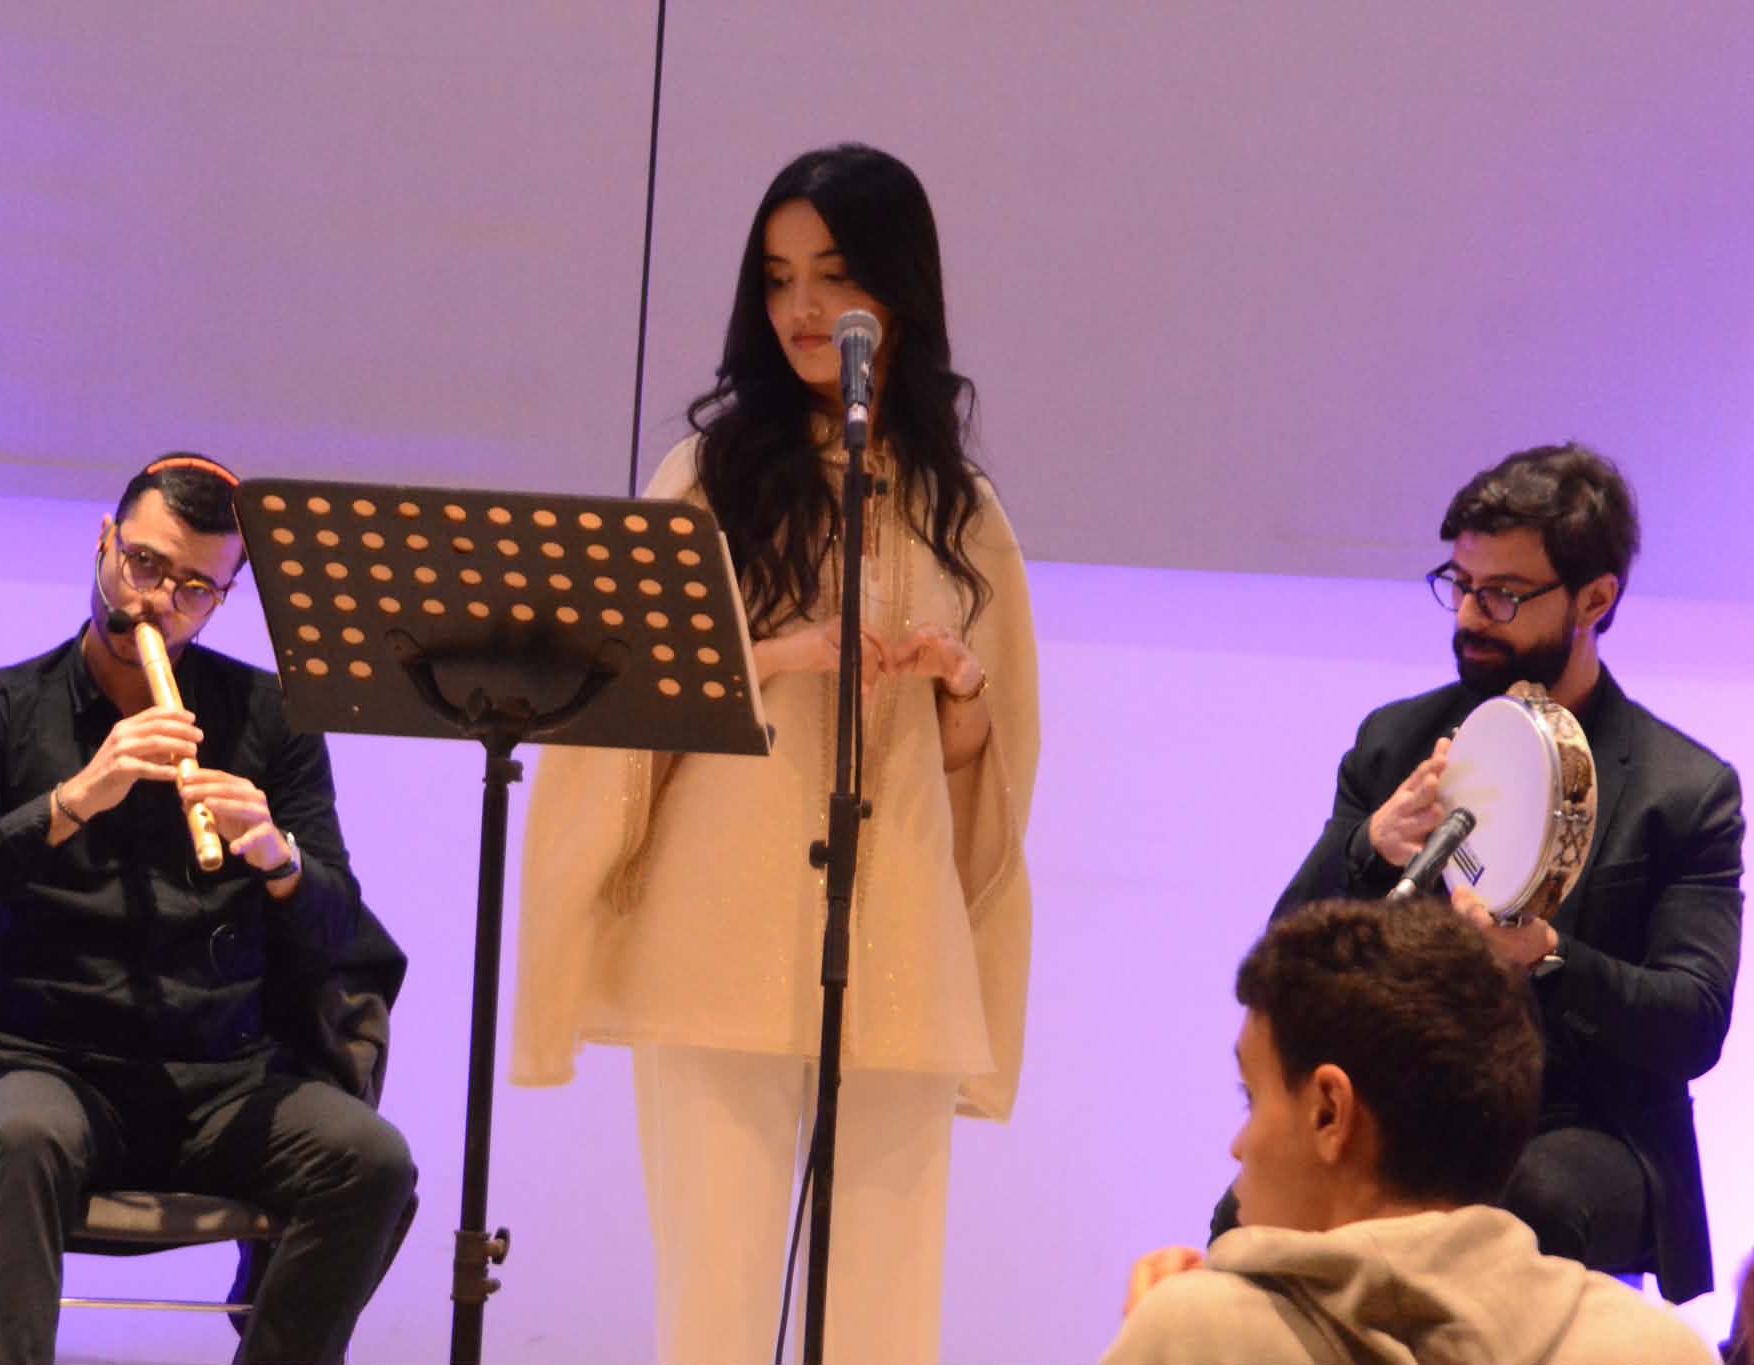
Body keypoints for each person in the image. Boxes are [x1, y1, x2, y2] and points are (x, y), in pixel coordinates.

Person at [510, 144, 1040, 1363]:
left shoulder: (964, 511)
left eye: (832, 275)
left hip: (896, 939)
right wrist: (775, 656)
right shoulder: (703, 480)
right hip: (716, 935)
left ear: (899, 287)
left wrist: (957, 691)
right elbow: (614, 705)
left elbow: (999, 779)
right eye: (777, 277)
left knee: (880, 1316)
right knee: (715, 1305)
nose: (802, 309)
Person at [0, 454, 416, 1363]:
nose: (160, 602)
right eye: (144, 565)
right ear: (104, 543)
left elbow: (341, 933)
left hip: (220, 1080)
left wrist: (279, 859)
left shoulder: (271, 718)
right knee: (23, 1135)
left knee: (373, 1161)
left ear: (223, 597)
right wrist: (71, 801)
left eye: (195, 588)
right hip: (44, 1064)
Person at [1243, 444, 1744, 1303]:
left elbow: (1692, 1022)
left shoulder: (1684, 790)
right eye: (1461, 583)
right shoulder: (1396, 744)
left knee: (1520, 1206)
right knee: (1243, 1214)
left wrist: (1548, 957)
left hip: (1588, 1122)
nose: (1473, 614)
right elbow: (1280, 965)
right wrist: (1369, 846)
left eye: (1505, 593)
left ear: (1595, 599)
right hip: (1402, 1114)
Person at [1102, 897, 1715, 1364]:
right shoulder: (1660, 1351)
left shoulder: (1200, 1337)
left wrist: (1160, 1337)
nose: (1239, 1146)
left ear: (1329, 1112)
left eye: (1252, 1098)